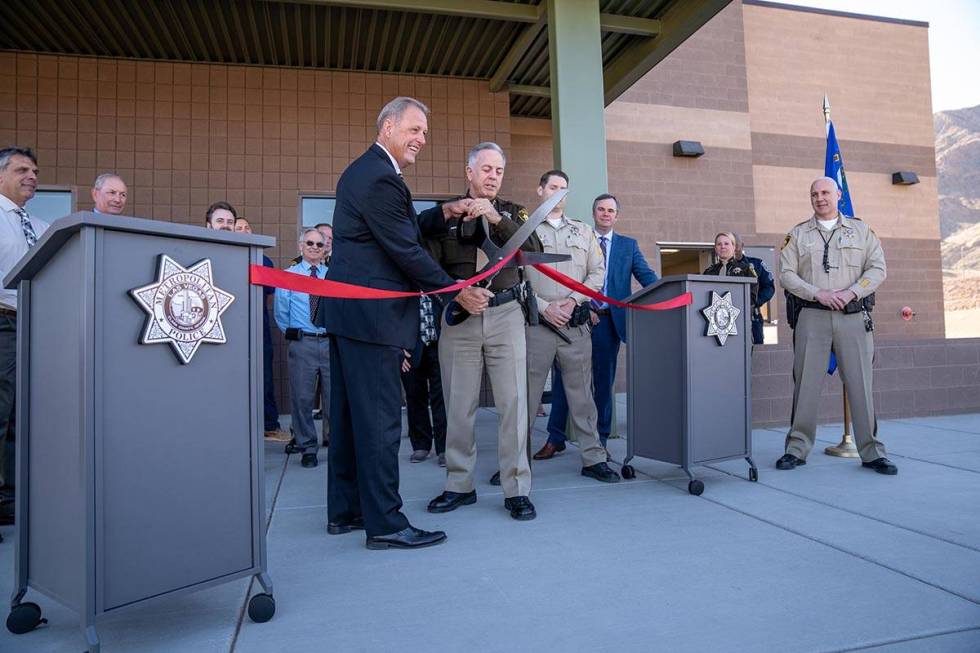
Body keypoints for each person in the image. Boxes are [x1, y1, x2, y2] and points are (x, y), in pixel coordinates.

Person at [321, 96, 489, 549]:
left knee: (350, 419)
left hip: (350, 316)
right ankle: (387, 524)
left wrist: (445, 211)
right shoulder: (380, 177)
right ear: (389, 126)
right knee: (378, 423)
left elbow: (401, 228)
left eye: (425, 134)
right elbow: (405, 249)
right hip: (373, 318)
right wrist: (456, 289)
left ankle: (347, 511)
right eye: (414, 130)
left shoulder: (368, 171)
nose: (421, 140)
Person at [423, 142, 541, 522]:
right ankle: (459, 485)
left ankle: (517, 489)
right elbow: (425, 265)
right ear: (469, 172)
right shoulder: (446, 213)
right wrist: (457, 295)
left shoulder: (512, 212)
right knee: (459, 406)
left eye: (498, 171)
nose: (492, 177)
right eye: (486, 169)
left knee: (513, 404)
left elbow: (535, 249)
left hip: (506, 312)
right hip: (460, 315)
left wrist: (496, 219)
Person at [777, 176, 896, 475]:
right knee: (805, 384)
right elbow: (786, 274)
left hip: (853, 316)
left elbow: (878, 268)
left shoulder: (861, 230)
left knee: (861, 386)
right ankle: (797, 448)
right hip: (812, 316)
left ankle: (872, 452)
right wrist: (818, 293)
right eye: (814, 193)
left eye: (826, 192)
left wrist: (851, 292)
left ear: (838, 194)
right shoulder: (798, 234)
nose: (820, 198)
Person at [536, 193, 657, 460]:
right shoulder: (579, 236)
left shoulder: (628, 246)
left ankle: (600, 440)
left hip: (607, 324)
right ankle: (556, 438)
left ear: (617, 215)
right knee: (564, 382)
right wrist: (584, 306)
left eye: (610, 210)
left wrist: (672, 295)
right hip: (575, 319)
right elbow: (568, 276)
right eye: (601, 209)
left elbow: (647, 277)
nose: (605, 214)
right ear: (594, 213)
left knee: (603, 385)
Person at [524, 170, 621, 483]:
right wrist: (544, 306)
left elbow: (597, 272)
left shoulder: (582, 231)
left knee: (582, 397)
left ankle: (593, 458)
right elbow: (512, 277)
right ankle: (515, 462)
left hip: (574, 325)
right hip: (537, 324)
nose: (558, 193)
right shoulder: (523, 231)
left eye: (563, 188)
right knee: (525, 397)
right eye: (552, 187)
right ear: (540, 190)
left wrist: (572, 302)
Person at [0, 147, 50, 528]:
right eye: (21, 169)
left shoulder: (40, 224)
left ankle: (11, 498)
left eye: (34, 170)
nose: (31, 175)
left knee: (22, 415)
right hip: (3, 323)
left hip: (36, 325)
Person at [274, 228, 331, 468]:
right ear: (300, 246)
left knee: (333, 398)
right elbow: (280, 314)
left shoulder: (332, 276)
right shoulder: (288, 275)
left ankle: (335, 444)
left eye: (320, 244)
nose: (315, 248)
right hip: (303, 343)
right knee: (302, 398)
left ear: (325, 248)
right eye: (310, 243)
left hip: (330, 343)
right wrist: (296, 336)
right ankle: (308, 447)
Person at [236, 218, 289, 442]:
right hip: (230, 330)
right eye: (238, 228)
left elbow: (270, 293)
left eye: (247, 227)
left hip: (259, 329)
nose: (244, 231)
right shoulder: (218, 256)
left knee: (264, 377)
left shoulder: (263, 260)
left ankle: (269, 425)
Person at [401, 293, 447, 466]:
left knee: (442, 397)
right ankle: (420, 445)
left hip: (439, 345)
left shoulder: (437, 280)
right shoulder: (404, 284)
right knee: (414, 396)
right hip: (410, 348)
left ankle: (444, 448)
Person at [734, 234, 775, 345]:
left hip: (752, 316)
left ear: (742, 246)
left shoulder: (756, 265)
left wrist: (754, 302)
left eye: (735, 245)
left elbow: (769, 287)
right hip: (727, 318)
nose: (733, 248)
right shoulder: (716, 269)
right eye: (730, 244)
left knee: (753, 352)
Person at [702, 231, 759, 308]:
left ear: (734, 247)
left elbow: (752, 298)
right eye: (719, 244)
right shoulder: (708, 272)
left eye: (726, 243)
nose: (722, 246)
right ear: (715, 248)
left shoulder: (746, 269)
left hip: (739, 315)